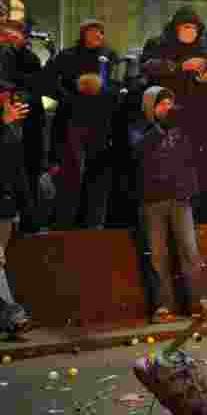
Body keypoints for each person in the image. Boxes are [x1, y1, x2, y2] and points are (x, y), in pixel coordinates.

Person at [131, 86, 207, 323]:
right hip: (151, 201)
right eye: (161, 104)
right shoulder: (139, 127)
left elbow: (196, 152)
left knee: (190, 249)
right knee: (157, 255)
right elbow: (138, 150)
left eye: (170, 103)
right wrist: (160, 129)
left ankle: (199, 303)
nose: (167, 108)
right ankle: (163, 306)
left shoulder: (182, 127)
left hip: (180, 198)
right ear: (150, 107)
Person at [141, 8, 207, 226]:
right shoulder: (160, 44)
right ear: (175, 28)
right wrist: (179, 67)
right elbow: (148, 67)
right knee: (174, 169)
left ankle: (204, 216)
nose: (190, 31)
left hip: (199, 117)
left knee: (204, 167)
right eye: (185, 27)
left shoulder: (204, 49)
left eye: (194, 27)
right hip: (170, 117)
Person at [40, 19, 119, 229]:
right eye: (93, 32)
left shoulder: (110, 56)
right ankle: (65, 225)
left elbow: (118, 86)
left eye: (101, 33)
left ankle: (94, 225)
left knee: (97, 177)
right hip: (71, 122)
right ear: (83, 34)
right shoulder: (67, 56)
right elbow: (47, 82)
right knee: (71, 175)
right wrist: (70, 94)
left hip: (101, 124)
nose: (98, 37)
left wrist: (103, 91)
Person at [0, 20, 43, 233]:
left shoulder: (25, 57)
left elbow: (36, 87)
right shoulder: (7, 53)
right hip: (11, 116)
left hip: (19, 117)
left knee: (18, 171)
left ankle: (25, 221)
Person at [0, 76, 34, 335]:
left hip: (6, 205)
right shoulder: (7, 126)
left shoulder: (11, 129)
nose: (9, 102)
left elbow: (16, 169)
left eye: (9, 98)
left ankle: (10, 318)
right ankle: (13, 314)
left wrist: (23, 205)